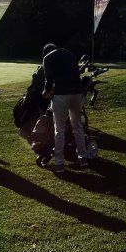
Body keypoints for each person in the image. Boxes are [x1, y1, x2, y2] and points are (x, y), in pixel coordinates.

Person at [41, 43, 90, 174]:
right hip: (77, 93)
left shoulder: (48, 58)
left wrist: (45, 93)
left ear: (46, 52)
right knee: (77, 126)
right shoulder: (69, 53)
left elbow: (49, 81)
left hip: (61, 94)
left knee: (59, 130)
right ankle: (83, 157)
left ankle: (59, 163)